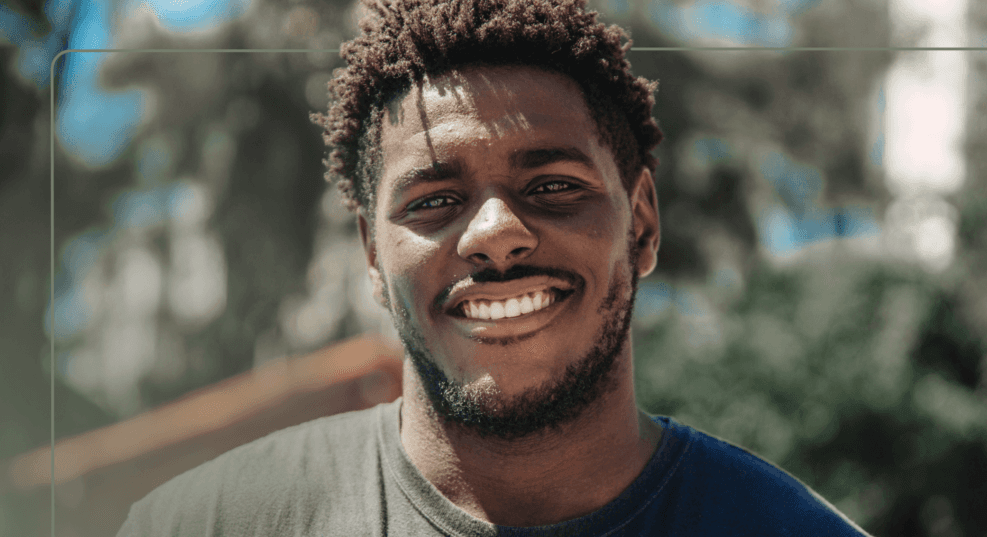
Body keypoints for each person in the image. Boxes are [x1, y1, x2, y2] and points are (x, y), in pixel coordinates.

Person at [118, 0, 871, 535]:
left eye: (553, 187)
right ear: (373, 254)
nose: (496, 234)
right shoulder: (205, 524)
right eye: (435, 199)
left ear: (640, 222)